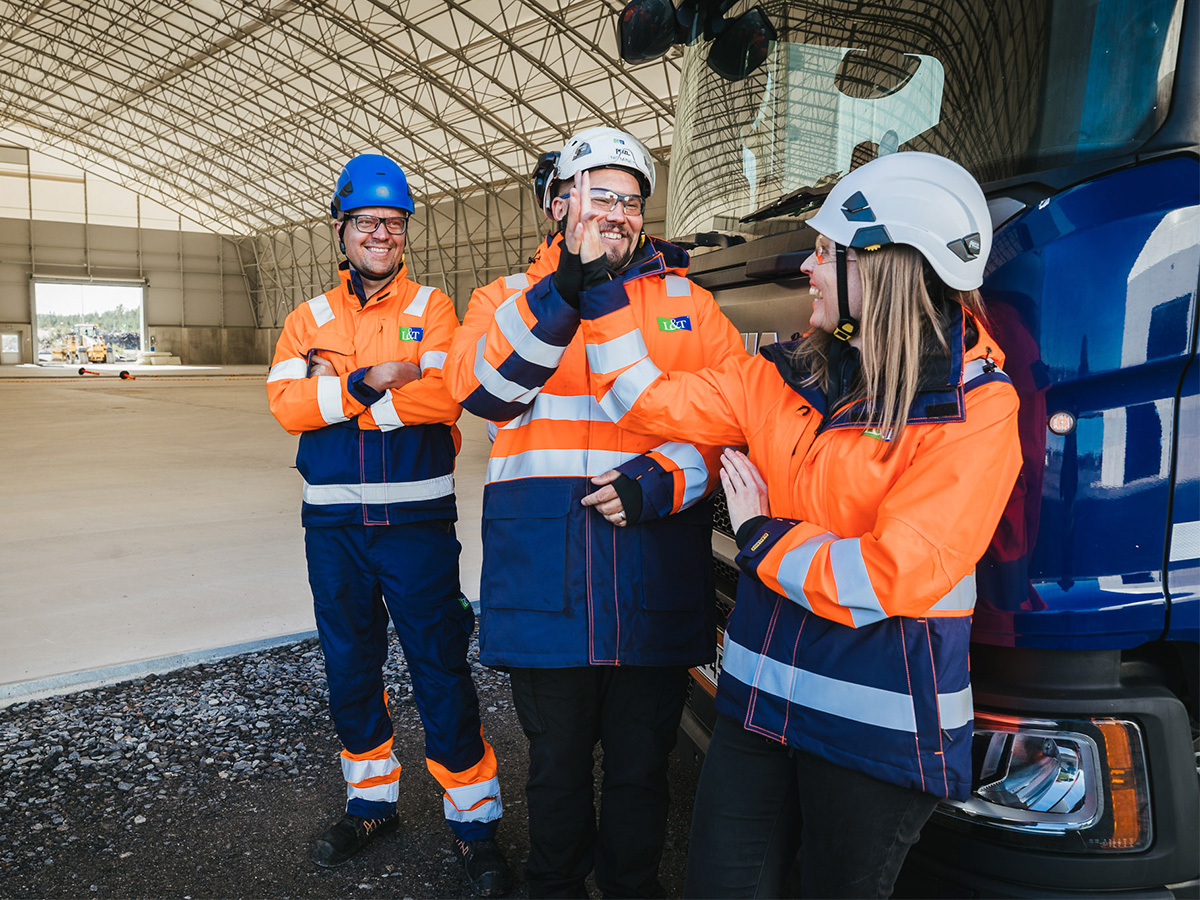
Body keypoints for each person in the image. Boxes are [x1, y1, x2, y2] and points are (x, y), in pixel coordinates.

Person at [571, 151, 1023, 898]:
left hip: (876, 740)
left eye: (825, 251)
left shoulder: (976, 410)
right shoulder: (780, 376)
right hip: (758, 713)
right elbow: (638, 398)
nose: (807, 269)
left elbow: (895, 572)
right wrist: (598, 288)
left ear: (881, 267)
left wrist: (763, 540)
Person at [443, 126, 747, 898]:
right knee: (556, 770)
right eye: (599, 194)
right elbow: (483, 390)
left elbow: (738, 426)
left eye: (630, 199)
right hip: (550, 584)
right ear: (558, 202)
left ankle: (631, 887)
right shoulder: (503, 299)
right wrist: (564, 294)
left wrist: (664, 480)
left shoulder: (690, 305)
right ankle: (554, 886)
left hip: (651, 577)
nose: (616, 212)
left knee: (644, 771)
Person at [266, 153, 511, 897]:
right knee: (350, 670)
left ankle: (475, 827)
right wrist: (373, 381)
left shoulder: (435, 308)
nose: (382, 234)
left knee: (439, 668)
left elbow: (443, 397)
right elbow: (285, 409)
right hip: (335, 531)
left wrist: (334, 394)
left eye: (395, 223)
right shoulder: (306, 318)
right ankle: (371, 807)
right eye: (368, 221)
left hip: (416, 526)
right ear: (340, 230)